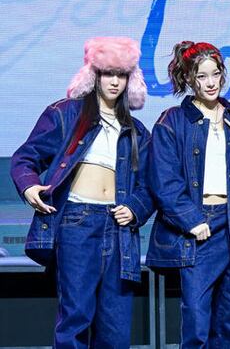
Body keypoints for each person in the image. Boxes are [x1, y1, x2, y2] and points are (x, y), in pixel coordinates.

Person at [10, 37, 154, 347]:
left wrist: (136, 207)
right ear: (93, 75)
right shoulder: (66, 114)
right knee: (75, 316)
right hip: (77, 221)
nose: (114, 81)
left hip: (118, 229)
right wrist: (29, 185)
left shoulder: (137, 131)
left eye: (121, 75)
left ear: (130, 80)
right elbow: (25, 157)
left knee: (115, 326)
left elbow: (149, 186)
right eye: (107, 73)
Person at [146, 41, 230, 347]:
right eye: (201, 76)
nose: (211, 82)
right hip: (201, 224)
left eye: (216, 74)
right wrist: (191, 219)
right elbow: (163, 179)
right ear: (188, 78)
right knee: (197, 319)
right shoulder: (173, 120)